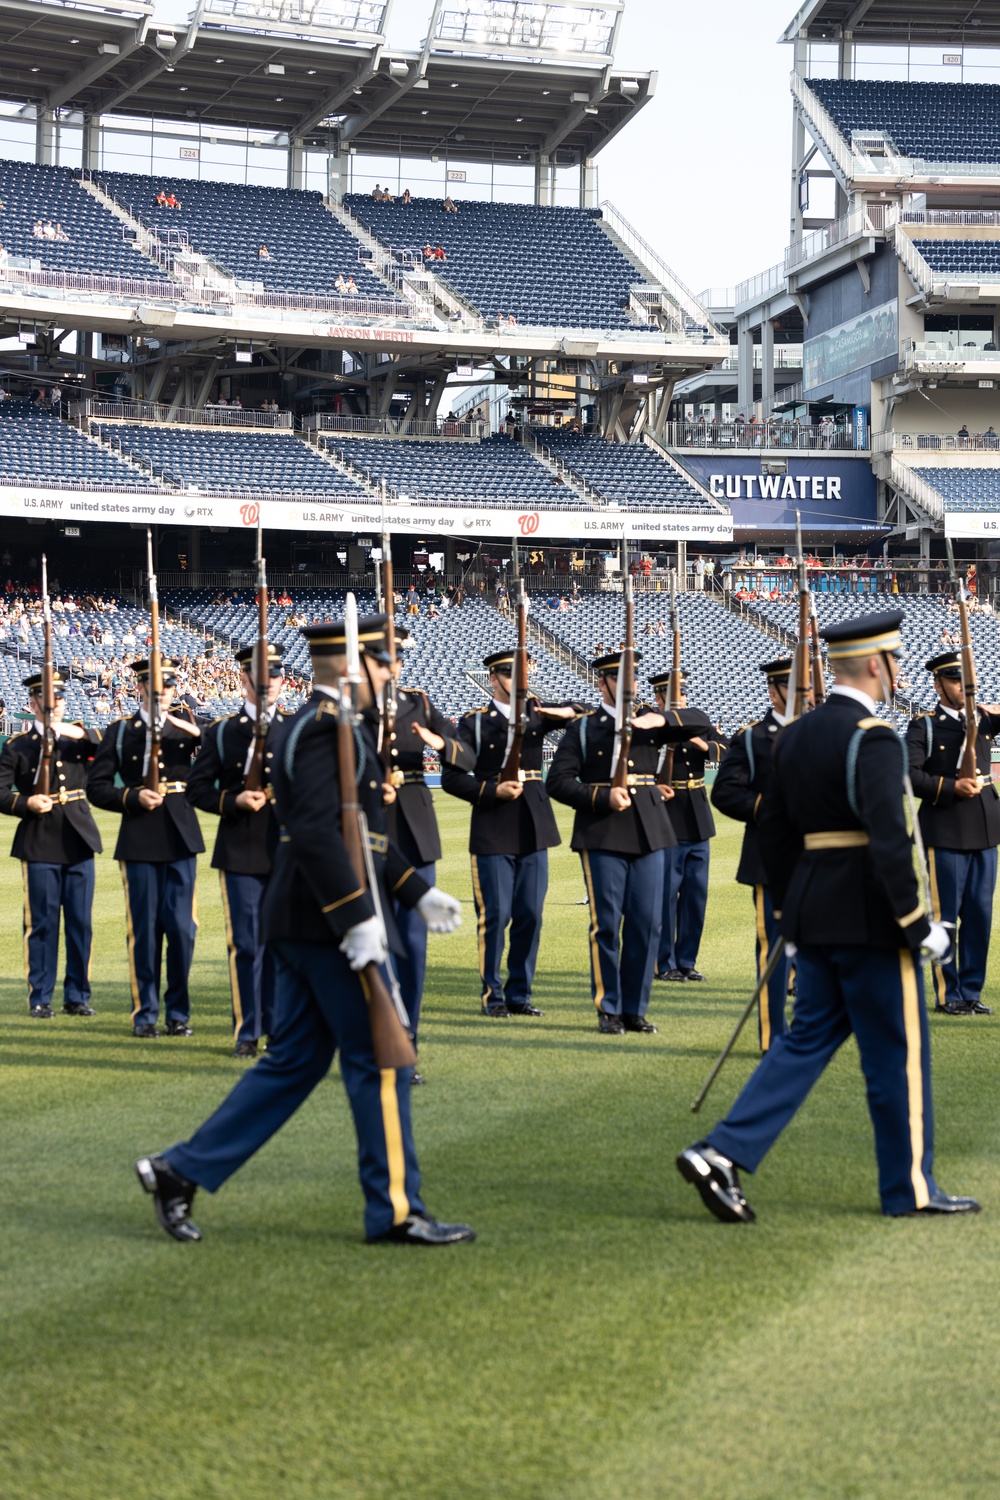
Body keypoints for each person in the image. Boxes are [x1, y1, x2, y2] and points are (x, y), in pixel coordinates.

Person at [134, 614, 475, 1248]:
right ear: (353, 666)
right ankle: (397, 1210)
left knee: (293, 1061)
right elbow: (318, 835)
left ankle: (179, 1170)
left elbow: (363, 837)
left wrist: (416, 891)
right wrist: (358, 920)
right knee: (383, 1060)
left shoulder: (326, 728)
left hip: (304, 916)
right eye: (383, 662)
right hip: (327, 924)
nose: (391, 674)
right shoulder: (324, 733)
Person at [678, 609, 978, 1222]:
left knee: (804, 1042)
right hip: (871, 922)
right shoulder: (873, 736)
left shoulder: (794, 735)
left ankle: (722, 1150)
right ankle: (910, 1188)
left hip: (812, 915)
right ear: (876, 664)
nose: (897, 673)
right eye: (893, 662)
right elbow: (889, 840)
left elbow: (778, 833)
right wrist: (919, 925)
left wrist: (788, 917)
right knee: (897, 1056)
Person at [547, 649, 694, 1033]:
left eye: (633, 679)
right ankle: (609, 1008)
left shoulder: (649, 721)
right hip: (603, 832)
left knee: (647, 924)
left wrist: (659, 717)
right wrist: (600, 798)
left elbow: (701, 724)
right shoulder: (585, 728)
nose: (630, 687)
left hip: (649, 830)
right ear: (603, 683)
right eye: (621, 680)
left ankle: (635, 1008)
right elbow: (558, 781)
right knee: (607, 925)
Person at [441, 648, 577, 1017]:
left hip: (533, 824)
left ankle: (521, 994)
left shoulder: (537, 714)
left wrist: (554, 712)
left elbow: (583, 712)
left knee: (530, 913)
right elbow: (452, 778)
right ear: (493, 678)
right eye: (509, 673)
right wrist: (490, 791)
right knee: (496, 915)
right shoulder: (475, 724)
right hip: (493, 825)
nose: (519, 679)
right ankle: (493, 995)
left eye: (524, 671)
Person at [87, 657, 204, 1038]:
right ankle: (146, 1014)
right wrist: (132, 797)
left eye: (168, 688)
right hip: (139, 838)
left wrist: (181, 728)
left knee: (183, 931)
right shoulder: (121, 732)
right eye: (154, 688)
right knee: (146, 931)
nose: (162, 694)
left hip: (181, 836)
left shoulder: (187, 728)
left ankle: (179, 1014)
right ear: (139, 688)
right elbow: (97, 787)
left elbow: (215, 753)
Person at [186, 644, 288, 1058]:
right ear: (244, 680)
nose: (267, 685)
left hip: (285, 851)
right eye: (258, 679)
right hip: (241, 850)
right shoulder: (224, 731)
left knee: (281, 945)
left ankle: (279, 1030)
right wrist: (232, 803)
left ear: (283, 682)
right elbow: (197, 788)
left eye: (274, 678)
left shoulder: (296, 729)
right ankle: (248, 1031)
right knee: (246, 944)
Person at [383, 630, 476, 1070]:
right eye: (383, 660)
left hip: (415, 830)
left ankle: (407, 1044)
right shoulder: (349, 709)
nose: (391, 667)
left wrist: (442, 745)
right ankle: (371, 1040)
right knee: (371, 943)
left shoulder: (417, 702)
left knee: (413, 948)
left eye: (396, 660)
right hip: (371, 831)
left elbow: (468, 754)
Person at [0, 671, 103, 1018]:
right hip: (39, 839)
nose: (53, 705)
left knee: (80, 923)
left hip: (77, 837)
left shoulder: (77, 738)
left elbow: (105, 747)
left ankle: (77, 995)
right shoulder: (18, 747)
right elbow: (0, 792)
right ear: (33, 704)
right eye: (46, 700)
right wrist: (24, 804)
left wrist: (72, 730)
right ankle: (40, 997)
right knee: (42, 923)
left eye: (58, 699)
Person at [905, 651, 1000, 1016]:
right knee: (945, 917)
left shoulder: (983, 720)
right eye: (957, 681)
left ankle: (972, 990)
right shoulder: (924, 727)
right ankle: (949, 993)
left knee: (980, 914)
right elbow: (909, 775)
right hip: (944, 830)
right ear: (939, 684)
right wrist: (950, 788)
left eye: (968, 681)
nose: (965, 688)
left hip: (985, 829)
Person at [710, 658, 797, 1050]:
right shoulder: (752, 738)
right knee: (774, 950)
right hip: (771, 858)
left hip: (819, 859)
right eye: (791, 688)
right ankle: (772, 1035)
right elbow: (725, 792)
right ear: (774, 691)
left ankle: (810, 1032)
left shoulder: (820, 732)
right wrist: (769, 809)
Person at [653, 672, 728, 981]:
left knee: (695, 897)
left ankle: (687, 960)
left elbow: (726, 748)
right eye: (673, 697)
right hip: (668, 814)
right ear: (659, 699)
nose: (681, 701)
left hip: (697, 815)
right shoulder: (652, 723)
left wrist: (702, 744)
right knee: (667, 896)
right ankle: (664, 963)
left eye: (682, 696)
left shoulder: (697, 721)